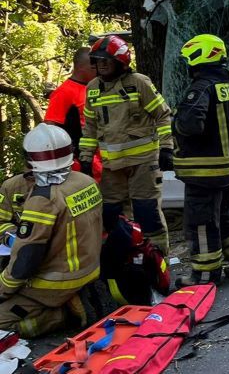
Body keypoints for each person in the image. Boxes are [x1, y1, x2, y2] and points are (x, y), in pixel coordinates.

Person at [0, 124, 103, 337]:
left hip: (54, 282)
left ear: (30, 158)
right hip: (89, 269)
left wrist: (3, 289)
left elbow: (26, 260)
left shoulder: (43, 199)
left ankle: (63, 315)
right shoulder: (86, 182)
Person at [172, 34, 229, 287]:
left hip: (203, 171)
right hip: (227, 167)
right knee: (224, 213)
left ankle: (204, 274)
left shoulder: (201, 87)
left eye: (189, 60)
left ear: (199, 58)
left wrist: (174, 122)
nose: (188, 66)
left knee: (201, 222)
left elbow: (189, 125)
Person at [79, 35, 172, 254]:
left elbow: (163, 115)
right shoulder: (93, 88)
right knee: (110, 213)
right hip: (112, 166)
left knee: (146, 210)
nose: (100, 65)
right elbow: (90, 128)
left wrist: (166, 147)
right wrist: (85, 158)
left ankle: (159, 258)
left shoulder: (139, 82)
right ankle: (123, 255)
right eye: (97, 60)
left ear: (120, 61)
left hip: (143, 162)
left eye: (106, 60)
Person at [44, 47, 100, 178]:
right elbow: (50, 128)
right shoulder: (63, 93)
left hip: (103, 160)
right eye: (94, 67)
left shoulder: (96, 87)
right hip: (82, 163)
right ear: (81, 68)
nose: (98, 70)